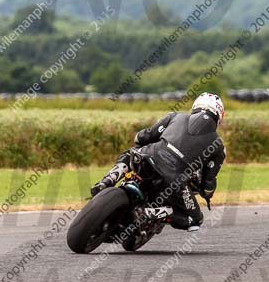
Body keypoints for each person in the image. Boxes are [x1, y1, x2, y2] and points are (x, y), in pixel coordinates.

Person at [90, 92, 226, 232]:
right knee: (196, 220)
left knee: (132, 152)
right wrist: (207, 194)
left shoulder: (174, 116)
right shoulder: (218, 147)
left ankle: (106, 181)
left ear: (195, 106)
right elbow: (208, 186)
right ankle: (148, 213)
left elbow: (142, 138)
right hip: (175, 182)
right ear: (219, 116)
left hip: (147, 158)